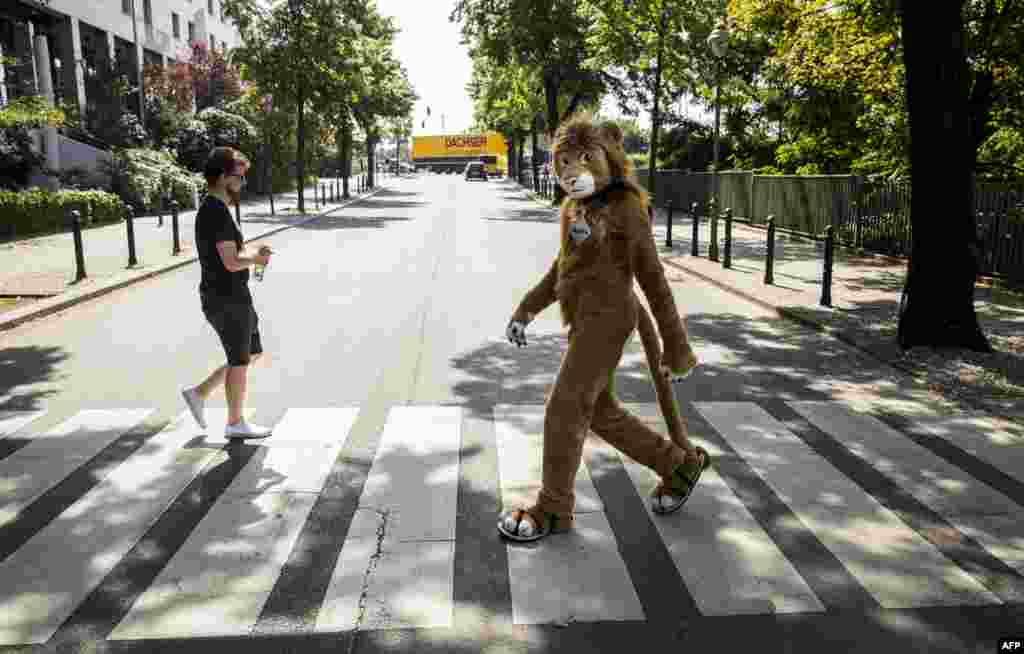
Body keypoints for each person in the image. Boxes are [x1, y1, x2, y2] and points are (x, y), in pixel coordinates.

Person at [181, 146, 274, 439]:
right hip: (225, 298)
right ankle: (235, 422)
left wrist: (253, 251)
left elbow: (234, 252)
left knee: (250, 353)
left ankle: (199, 393)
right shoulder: (215, 212)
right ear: (222, 177)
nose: (243, 184)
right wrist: (255, 259)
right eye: (239, 177)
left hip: (234, 295)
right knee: (239, 360)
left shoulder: (220, 209)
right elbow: (231, 262)